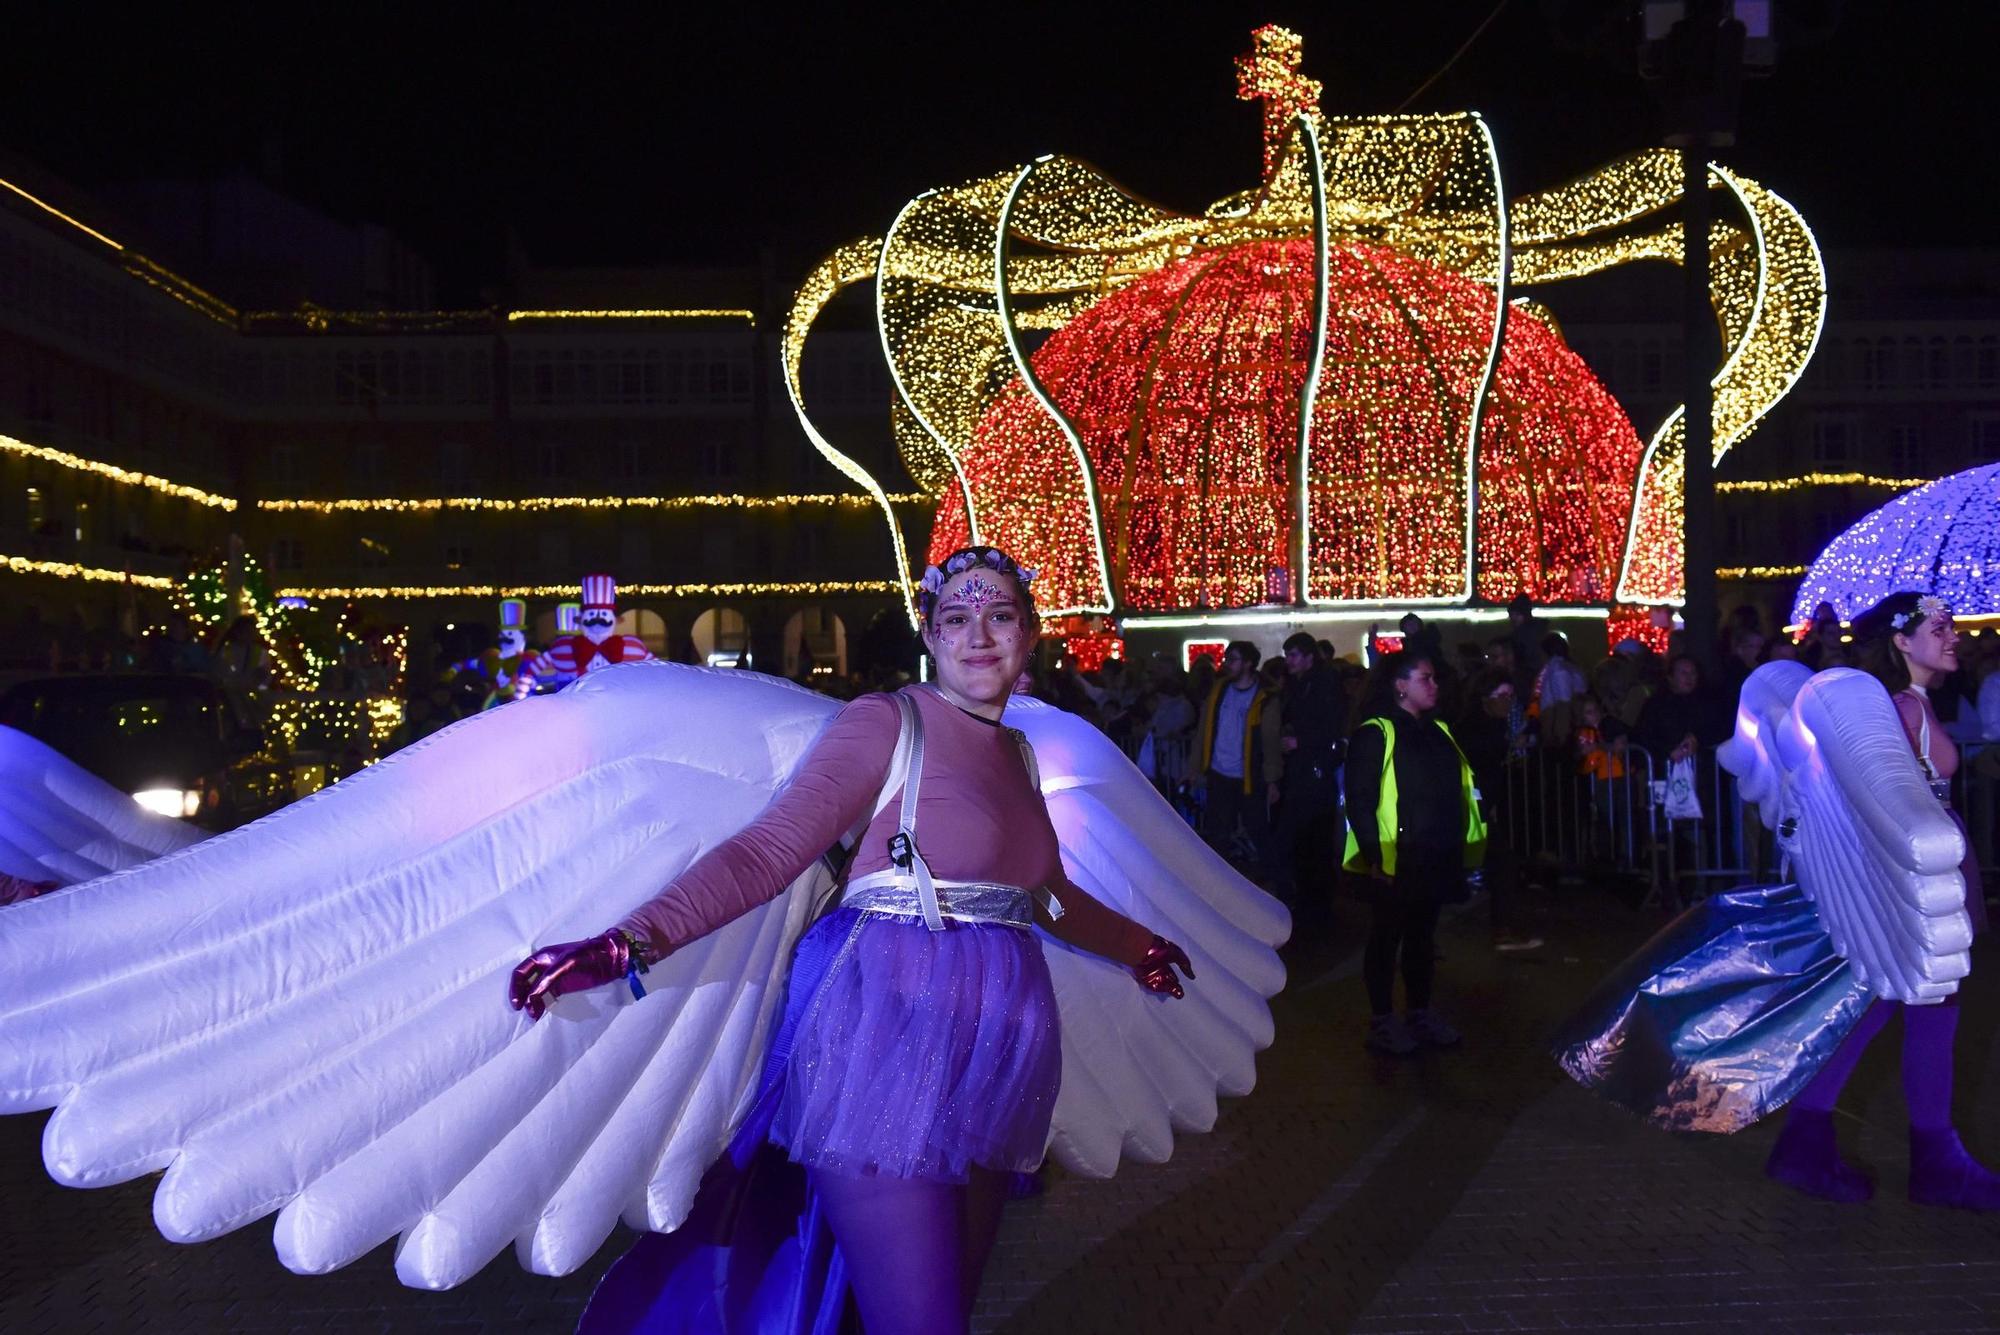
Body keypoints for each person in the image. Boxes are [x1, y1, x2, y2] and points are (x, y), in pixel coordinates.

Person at [511, 546, 1198, 1333]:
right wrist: (628, 942)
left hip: (991, 1066)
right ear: (930, 637)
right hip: (880, 1056)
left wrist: (1137, 945)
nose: (979, 636)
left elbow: (1043, 898)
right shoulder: (888, 722)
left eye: (1000, 615)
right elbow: (767, 852)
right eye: (957, 618)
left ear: (1030, 634)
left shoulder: (1019, 752)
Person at [1343, 651, 1488, 1055]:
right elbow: (1360, 798)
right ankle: (1383, 1019)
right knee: (1387, 938)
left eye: (1435, 678)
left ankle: (1420, 1012)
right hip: (1394, 856)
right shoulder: (1377, 733)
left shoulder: (1440, 730)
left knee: (1423, 939)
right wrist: (1374, 855)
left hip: (1434, 853)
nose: (1434, 685)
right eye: (1426, 678)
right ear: (1400, 685)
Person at [1195, 640, 1283, 879]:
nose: (1227, 664)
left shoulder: (1264, 697)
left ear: (1248, 663)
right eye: (1227, 658)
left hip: (1248, 775)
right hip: (1219, 771)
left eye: (1232, 659)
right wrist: (1196, 766)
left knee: (1257, 829)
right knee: (1218, 831)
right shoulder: (1219, 691)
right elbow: (1205, 729)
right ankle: (1219, 880)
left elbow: (1270, 740)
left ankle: (1271, 879)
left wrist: (1272, 778)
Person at [1273, 631, 1346, 916]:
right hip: (1306, 768)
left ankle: (1315, 900)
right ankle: (1311, 898)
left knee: (1312, 836)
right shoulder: (1302, 685)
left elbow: (1330, 726)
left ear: (1308, 657)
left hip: (1313, 770)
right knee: (1307, 838)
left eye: (1293, 655)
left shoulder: (1321, 685)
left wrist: (1302, 741)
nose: (1288, 661)